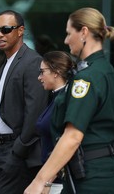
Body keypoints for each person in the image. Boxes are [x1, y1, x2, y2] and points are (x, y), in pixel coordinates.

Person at [24, 7, 114, 194]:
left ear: (84, 32)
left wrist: (40, 180)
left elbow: (72, 136)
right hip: (100, 171)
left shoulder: (87, 78)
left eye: (69, 34)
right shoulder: (107, 71)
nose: (66, 40)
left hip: (90, 176)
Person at [0, 9, 49, 194]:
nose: (0, 34)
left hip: (17, 152)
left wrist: (17, 151)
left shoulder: (33, 62)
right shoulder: (6, 62)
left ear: (20, 31)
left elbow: (34, 114)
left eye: (6, 29)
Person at [36, 51, 76, 194]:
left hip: (59, 182)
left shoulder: (65, 100)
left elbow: (62, 143)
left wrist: (47, 180)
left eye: (42, 72)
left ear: (56, 72)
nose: (39, 77)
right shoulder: (55, 97)